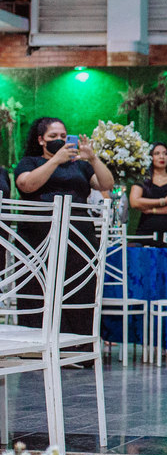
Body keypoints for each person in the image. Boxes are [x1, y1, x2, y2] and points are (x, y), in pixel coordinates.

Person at [14, 117, 115, 334]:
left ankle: (77, 345)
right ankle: (36, 344)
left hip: (78, 233)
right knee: (38, 287)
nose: (59, 140)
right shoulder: (30, 162)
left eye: (63, 136)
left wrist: (93, 158)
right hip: (39, 234)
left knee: (79, 288)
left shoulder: (78, 165)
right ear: (41, 140)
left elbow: (107, 184)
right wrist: (55, 161)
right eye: (53, 137)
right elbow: (27, 185)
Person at [130, 142, 167, 243]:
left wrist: (153, 211)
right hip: (146, 228)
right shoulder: (143, 178)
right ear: (150, 157)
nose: (162, 157)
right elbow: (134, 202)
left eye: (165, 153)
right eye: (157, 154)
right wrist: (163, 201)